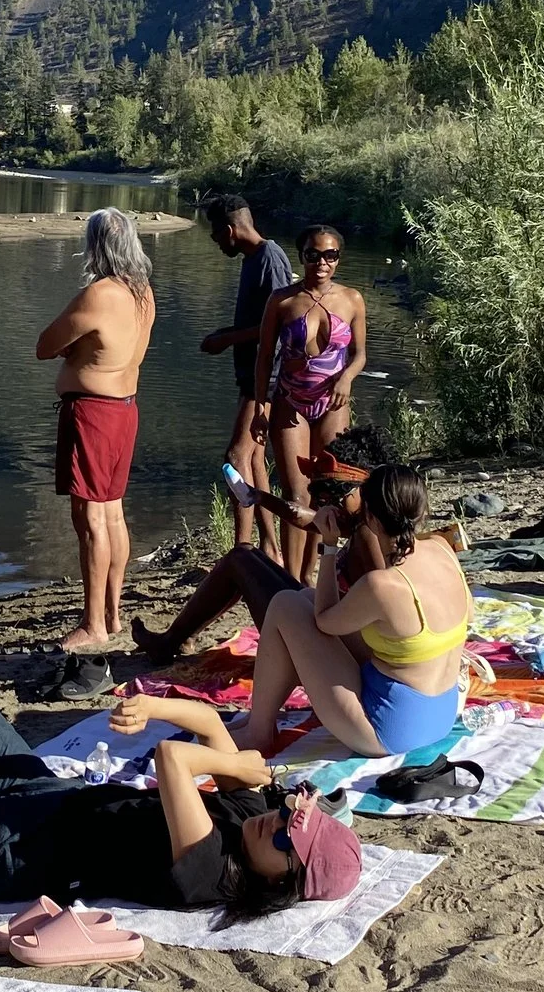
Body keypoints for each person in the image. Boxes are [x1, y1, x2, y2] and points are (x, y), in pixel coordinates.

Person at [0, 680, 362, 915]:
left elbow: (176, 760)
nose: (279, 821)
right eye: (293, 814)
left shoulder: (216, 873)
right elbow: (209, 724)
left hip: (9, 852)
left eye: (289, 837)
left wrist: (235, 764)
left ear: (280, 881)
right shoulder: (256, 822)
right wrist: (151, 708)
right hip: (50, 800)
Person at [235, 464, 469, 760]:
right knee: (304, 598)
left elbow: (324, 620)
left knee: (285, 605)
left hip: (388, 732)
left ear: (369, 516)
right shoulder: (442, 549)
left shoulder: (381, 585)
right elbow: (468, 615)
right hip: (441, 714)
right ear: (421, 511)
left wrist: (329, 546)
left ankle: (258, 732)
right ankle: (260, 718)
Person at [36, 208, 157, 653]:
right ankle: (112, 612)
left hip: (92, 413)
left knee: (89, 518)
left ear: (96, 246)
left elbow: (44, 346)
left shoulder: (98, 294)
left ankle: (93, 625)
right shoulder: (143, 293)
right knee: (112, 513)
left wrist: (75, 350)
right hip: (124, 409)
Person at [131, 470, 364, 666]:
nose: (333, 506)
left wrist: (331, 550)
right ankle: (179, 639)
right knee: (245, 553)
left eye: (340, 497)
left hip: (327, 647)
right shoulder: (363, 520)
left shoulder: (367, 536)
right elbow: (303, 517)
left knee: (239, 561)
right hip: (324, 629)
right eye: (326, 501)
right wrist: (260, 497)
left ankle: (170, 643)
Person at [250, 226, 367, 581]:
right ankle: (291, 577)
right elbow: (265, 356)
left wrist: (346, 377)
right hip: (290, 403)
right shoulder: (283, 301)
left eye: (329, 255)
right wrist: (260, 407)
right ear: (301, 256)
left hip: (333, 404)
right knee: (295, 491)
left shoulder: (352, 299)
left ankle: (312, 572)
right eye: (313, 254)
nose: (321, 262)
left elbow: (360, 354)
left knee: (329, 489)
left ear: (338, 259)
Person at [199, 197, 295, 560]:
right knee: (254, 459)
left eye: (215, 235)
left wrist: (227, 339)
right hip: (253, 375)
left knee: (236, 456)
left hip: (267, 375)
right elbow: (256, 321)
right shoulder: (253, 259)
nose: (216, 242)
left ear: (230, 230)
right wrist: (226, 333)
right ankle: (270, 546)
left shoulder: (270, 259)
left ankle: (242, 549)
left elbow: (282, 322)